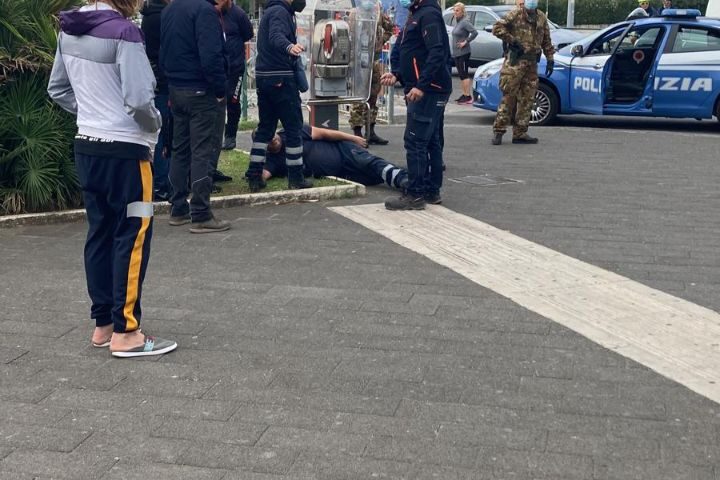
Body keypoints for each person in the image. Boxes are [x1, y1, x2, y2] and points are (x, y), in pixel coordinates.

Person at [48, 0, 177, 357]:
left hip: (87, 149)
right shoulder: (125, 32)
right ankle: (127, 332)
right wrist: (155, 126)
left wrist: (93, 111)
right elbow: (138, 102)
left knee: (100, 231)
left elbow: (57, 89)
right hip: (127, 154)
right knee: (135, 232)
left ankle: (104, 324)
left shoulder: (68, 29)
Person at [161, 0, 231, 233]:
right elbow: (211, 55)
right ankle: (201, 212)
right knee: (203, 150)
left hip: (176, 88)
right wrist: (221, 90)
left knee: (180, 149)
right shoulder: (204, 11)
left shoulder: (170, 9)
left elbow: (163, 52)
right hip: (200, 91)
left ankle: (177, 208)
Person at [380, 0, 451, 210]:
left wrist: (422, 85)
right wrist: (397, 74)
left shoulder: (427, 14)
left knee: (415, 141)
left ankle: (415, 194)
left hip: (428, 90)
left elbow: (436, 52)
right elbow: (412, 52)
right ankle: (430, 190)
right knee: (430, 141)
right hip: (425, 88)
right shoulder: (417, 13)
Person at [245, 0, 313, 192]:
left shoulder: (272, 11)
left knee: (265, 129)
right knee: (294, 129)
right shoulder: (280, 12)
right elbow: (276, 36)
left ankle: (254, 175)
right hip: (281, 80)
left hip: (265, 79)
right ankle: (296, 177)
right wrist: (290, 47)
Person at [259, 125, 409, 189]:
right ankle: (412, 175)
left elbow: (325, 133)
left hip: (343, 151)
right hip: (341, 174)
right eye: (269, 142)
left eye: (273, 136)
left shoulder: (292, 131)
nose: (274, 140)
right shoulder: (273, 160)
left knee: (371, 164)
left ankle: (404, 180)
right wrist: (255, 174)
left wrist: (352, 138)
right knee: (374, 178)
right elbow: (264, 175)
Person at [490, 0, 554, 145]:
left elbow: (546, 40)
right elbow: (497, 28)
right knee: (509, 97)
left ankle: (520, 133)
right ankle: (499, 131)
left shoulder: (541, 17)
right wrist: (512, 41)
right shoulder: (515, 14)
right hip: (515, 64)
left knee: (527, 99)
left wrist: (550, 58)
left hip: (531, 64)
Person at [349, 2, 394, 145]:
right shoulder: (354, 13)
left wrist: (381, 41)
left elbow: (390, 28)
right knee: (359, 96)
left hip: (373, 59)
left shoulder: (379, 13)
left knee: (373, 95)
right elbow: (350, 34)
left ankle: (371, 131)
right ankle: (357, 133)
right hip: (359, 60)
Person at [141, 0, 172, 202]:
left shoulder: (148, 15)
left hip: (153, 78)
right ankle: (162, 184)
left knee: (158, 134)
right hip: (163, 80)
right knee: (164, 133)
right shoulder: (163, 16)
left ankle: (160, 182)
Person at [218, 0, 254, 151]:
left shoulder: (239, 14)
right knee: (217, 102)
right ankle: (216, 137)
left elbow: (248, 34)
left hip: (236, 67)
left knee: (233, 100)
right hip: (219, 67)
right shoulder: (212, 13)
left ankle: (230, 136)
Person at [450, 2, 478, 105]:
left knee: (465, 74)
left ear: (462, 12)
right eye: (454, 10)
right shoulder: (457, 22)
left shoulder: (465, 22)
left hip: (464, 52)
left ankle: (468, 96)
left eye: (457, 10)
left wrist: (465, 42)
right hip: (457, 53)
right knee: (461, 75)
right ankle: (464, 94)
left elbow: (475, 32)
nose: (455, 12)